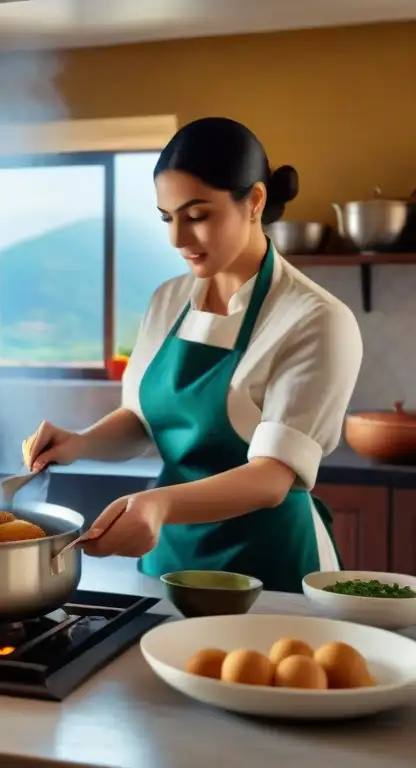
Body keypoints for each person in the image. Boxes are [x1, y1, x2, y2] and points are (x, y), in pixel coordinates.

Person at [22, 117, 362, 594]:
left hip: (268, 565)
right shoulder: (168, 300)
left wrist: (159, 506)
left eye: (197, 215)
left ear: (255, 202)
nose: (177, 239)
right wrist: (79, 443)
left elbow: (271, 478)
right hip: (167, 557)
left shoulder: (315, 319)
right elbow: (139, 420)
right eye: (167, 217)